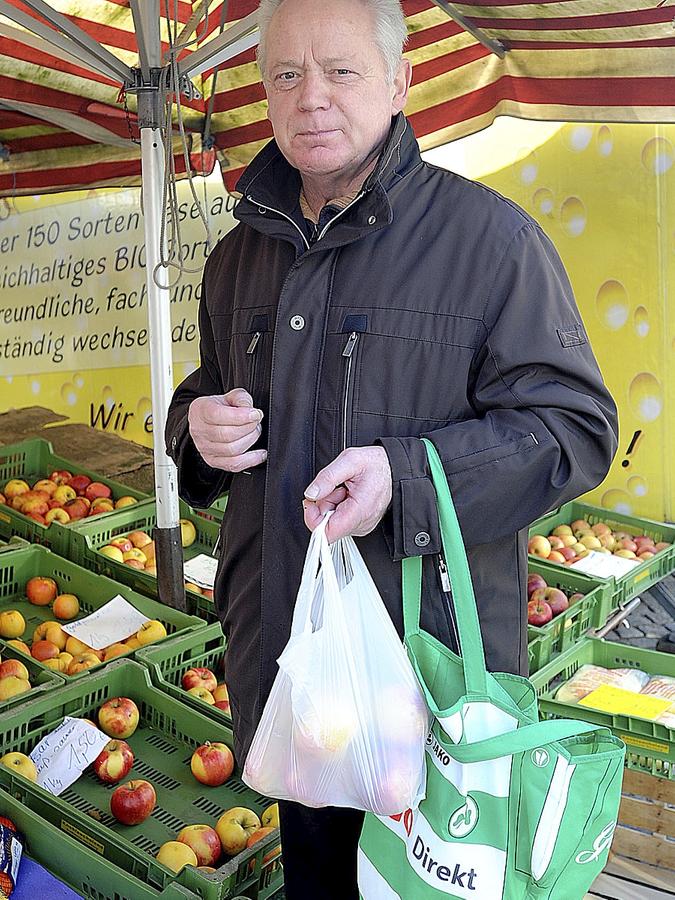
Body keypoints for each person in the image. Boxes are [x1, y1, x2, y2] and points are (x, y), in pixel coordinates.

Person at [165, 0, 618, 895]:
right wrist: (196, 428)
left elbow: (573, 429)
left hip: (426, 688)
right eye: (286, 76)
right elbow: (203, 395)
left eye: (340, 71)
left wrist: (405, 476)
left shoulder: (490, 242)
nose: (310, 100)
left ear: (398, 82)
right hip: (286, 671)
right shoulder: (236, 258)